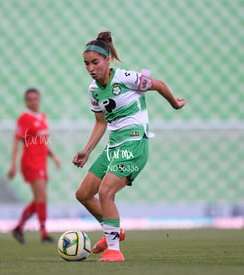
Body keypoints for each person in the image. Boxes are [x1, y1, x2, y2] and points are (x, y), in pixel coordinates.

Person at [73, 31, 186, 262]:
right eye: (86, 64)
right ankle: (112, 231)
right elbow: (100, 122)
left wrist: (175, 104)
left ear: (107, 60)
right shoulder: (93, 91)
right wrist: (87, 150)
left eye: (95, 62)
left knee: (105, 192)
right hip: (114, 146)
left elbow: (158, 84)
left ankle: (114, 250)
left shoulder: (126, 77)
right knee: (83, 194)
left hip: (134, 142)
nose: (91, 68)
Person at [8, 88, 61, 244]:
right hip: (30, 162)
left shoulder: (42, 117)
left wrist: (53, 156)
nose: (33, 102)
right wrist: (13, 165)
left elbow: (43, 141)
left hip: (42, 161)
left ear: (39, 100)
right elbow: (16, 142)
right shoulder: (24, 118)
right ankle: (44, 234)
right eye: (30, 99)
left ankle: (18, 228)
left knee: (39, 198)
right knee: (42, 197)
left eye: (35, 99)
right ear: (26, 101)